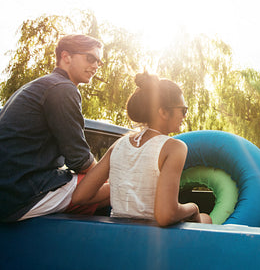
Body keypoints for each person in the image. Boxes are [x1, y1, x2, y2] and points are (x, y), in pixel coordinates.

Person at [71, 72, 212, 226]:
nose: (184, 116)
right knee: (206, 218)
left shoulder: (119, 144)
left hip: (115, 233)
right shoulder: (174, 147)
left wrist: (126, 184)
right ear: (163, 112)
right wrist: (194, 208)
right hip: (152, 239)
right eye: (183, 110)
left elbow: (80, 196)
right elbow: (165, 216)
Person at [0, 34, 106, 222]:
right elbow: (80, 160)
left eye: (99, 61)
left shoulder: (38, 85)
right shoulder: (62, 89)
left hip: (11, 188)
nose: (96, 65)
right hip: (20, 192)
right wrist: (106, 178)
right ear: (66, 57)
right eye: (90, 58)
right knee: (122, 188)